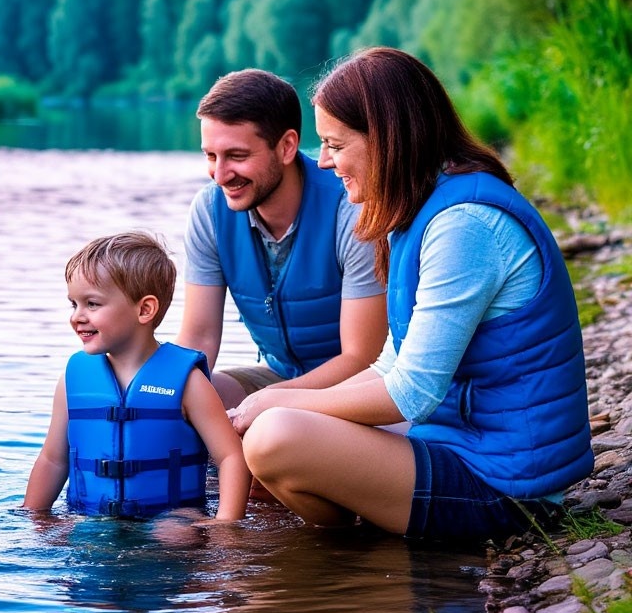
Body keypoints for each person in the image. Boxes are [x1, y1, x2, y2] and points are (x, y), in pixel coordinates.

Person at [232, 47, 593, 542]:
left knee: (275, 437)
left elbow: (411, 392)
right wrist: (285, 397)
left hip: (508, 485)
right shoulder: (419, 211)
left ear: (385, 139)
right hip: (459, 441)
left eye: (335, 143)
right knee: (278, 431)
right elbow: (390, 366)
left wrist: (278, 406)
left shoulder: (463, 224)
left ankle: (356, 544)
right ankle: (360, 546)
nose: (323, 161)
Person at [177, 68, 387, 410]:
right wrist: (152, 393)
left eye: (237, 156)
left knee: (267, 426)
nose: (220, 174)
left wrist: (269, 404)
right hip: (276, 378)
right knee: (183, 396)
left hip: (354, 388)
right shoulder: (210, 212)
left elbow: (361, 357)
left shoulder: (351, 212)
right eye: (211, 156)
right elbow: (198, 338)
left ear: (287, 146)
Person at [23, 231, 251, 520]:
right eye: (74, 304)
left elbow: (231, 457)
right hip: (92, 518)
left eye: (92, 304)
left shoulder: (188, 383)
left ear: (145, 309)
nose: (77, 316)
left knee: (174, 536)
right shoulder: (73, 381)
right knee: (78, 535)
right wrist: (34, 517)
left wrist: (225, 529)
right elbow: (53, 460)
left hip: (169, 519)